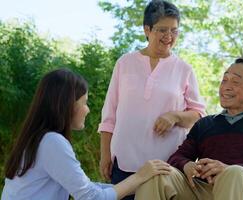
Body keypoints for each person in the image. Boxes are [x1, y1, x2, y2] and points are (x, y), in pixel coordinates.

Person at [135, 58, 243, 200]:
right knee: (156, 174)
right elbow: (177, 157)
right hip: (200, 189)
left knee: (234, 174)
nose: (226, 87)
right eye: (224, 80)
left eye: (235, 82)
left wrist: (230, 168)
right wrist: (187, 165)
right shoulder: (205, 124)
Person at [1, 68, 171, 200]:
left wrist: (140, 182)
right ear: (67, 105)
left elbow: (86, 188)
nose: (87, 110)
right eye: (84, 103)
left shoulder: (39, 138)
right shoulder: (52, 142)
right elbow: (92, 197)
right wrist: (140, 176)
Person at [98, 1, 205, 199]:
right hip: (123, 163)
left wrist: (175, 116)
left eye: (174, 30)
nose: (169, 37)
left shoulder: (184, 70)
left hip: (163, 168)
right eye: (162, 30)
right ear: (147, 29)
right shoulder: (125, 63)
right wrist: (105, 155)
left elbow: (198, 116)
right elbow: (109, 114)